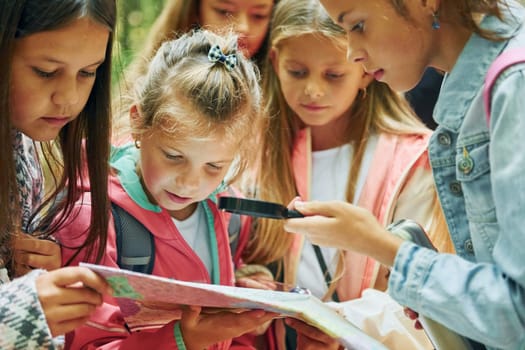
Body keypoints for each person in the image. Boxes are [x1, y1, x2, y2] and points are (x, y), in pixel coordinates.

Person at [284, 0, 525, 349]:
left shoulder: (514, 88)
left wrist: (378, 245)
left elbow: (515, 314)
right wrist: (438, 296)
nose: (352, 52)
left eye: (358, 26)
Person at [240, 0, 454, 348]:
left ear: (365, 69)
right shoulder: (251, 152)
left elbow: (426, 294)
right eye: (297, 71)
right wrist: (255, 281)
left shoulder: (414, 162)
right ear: (276, 63)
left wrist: (344, 326)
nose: (313, 90)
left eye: (333, 75)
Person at [55, 29, 277, 349]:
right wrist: (182, 340)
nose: (190, 182)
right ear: (138, 122)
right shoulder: (93, 223)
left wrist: (245, 307)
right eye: (174, 156)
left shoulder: (228, 215)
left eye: (214, 167)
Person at [0, 1, 116, 348]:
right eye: (46, 72)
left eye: (88, 72)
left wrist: (34, 269)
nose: (68, 98)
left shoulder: (23, 145)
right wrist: (19, 309)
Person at [120, 0, 275, 97]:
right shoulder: (158, 84)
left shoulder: (283, 91)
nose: (243, 27)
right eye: (224, 11)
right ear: (194, 9)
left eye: (259, 15)